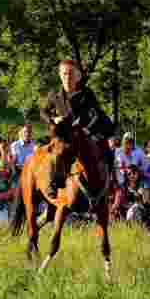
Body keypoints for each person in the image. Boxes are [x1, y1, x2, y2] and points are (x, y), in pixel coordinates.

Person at [40, 59, 115, 199]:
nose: (67, 77)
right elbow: (43, 112)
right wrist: (53, 120)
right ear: (60, 75)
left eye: (71, 74)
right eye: (64, 74)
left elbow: (96, 114)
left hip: (84, 133)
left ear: (77, 76)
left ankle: (110, 184)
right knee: (55, 153)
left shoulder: (87, 93)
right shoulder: (54, 95)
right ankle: (52, 185)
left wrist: (88, 128)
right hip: (63, 135)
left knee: (108, 151)